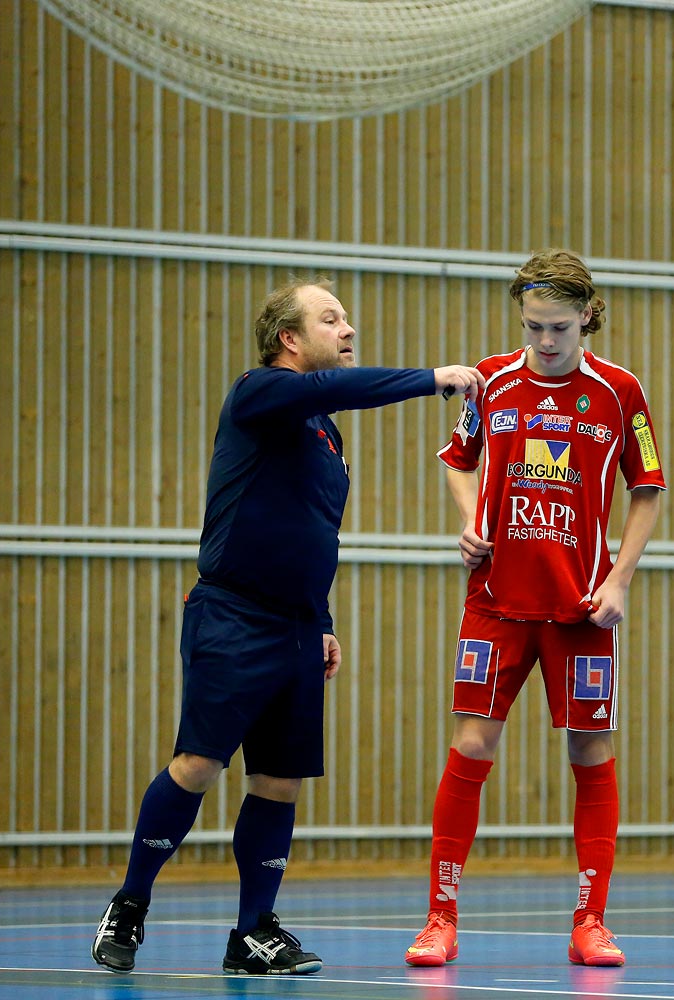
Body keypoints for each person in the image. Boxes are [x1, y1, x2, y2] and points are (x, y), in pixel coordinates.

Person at [90, 278, 483, 976]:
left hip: (299, 628)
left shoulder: (326, 436)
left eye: (348, 317)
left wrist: (323, 620)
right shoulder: (260, 392)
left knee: (279, 780)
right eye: (330, 319)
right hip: (232, 615)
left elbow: (312, 533)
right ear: (290, 339)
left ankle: (253, 933)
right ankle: (130, 903)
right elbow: (331, 391)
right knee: (201, 762)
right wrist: (433, 379)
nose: (348, 327)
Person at [404, 250, 665, 969]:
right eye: (532, 327)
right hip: (496, 601)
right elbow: (461, 459)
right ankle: (440, 919)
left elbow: (648, 489)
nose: (545, 343)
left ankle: (591, 921)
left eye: (557, 328)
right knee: (471, 746)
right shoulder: (489, 380)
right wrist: (469, 521)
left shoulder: (620, 392)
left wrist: (620, 579)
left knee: (590, 748)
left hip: (582, 608)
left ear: (587, 315)